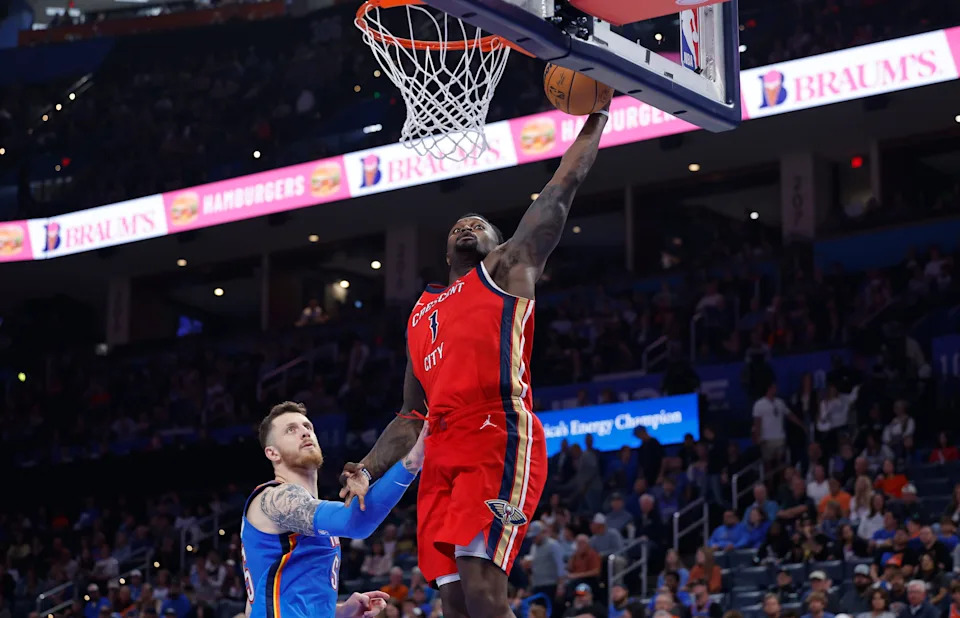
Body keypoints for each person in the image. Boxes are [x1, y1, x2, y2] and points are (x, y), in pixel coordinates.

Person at [340, 106, 611, 618]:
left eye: (482, 223)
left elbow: (560, 189)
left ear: (499, 242)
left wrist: (596, 118)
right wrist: (367, 469)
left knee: (484, 591)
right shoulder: (421, 313)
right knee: (455, 603)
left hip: (495, 429)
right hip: (440, 446)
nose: (469, 224)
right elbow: (410, 416)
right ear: (446, 252)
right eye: (459, 224)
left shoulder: (508, 268)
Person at [242, 402, 425, 618]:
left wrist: (339, 611)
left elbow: (257, 605)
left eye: (307, 427)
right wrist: (414, 461)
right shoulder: (275, 498)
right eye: (291, 430)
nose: (304, 433)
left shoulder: (311, 513)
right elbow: (355, 522)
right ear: (272, 453)